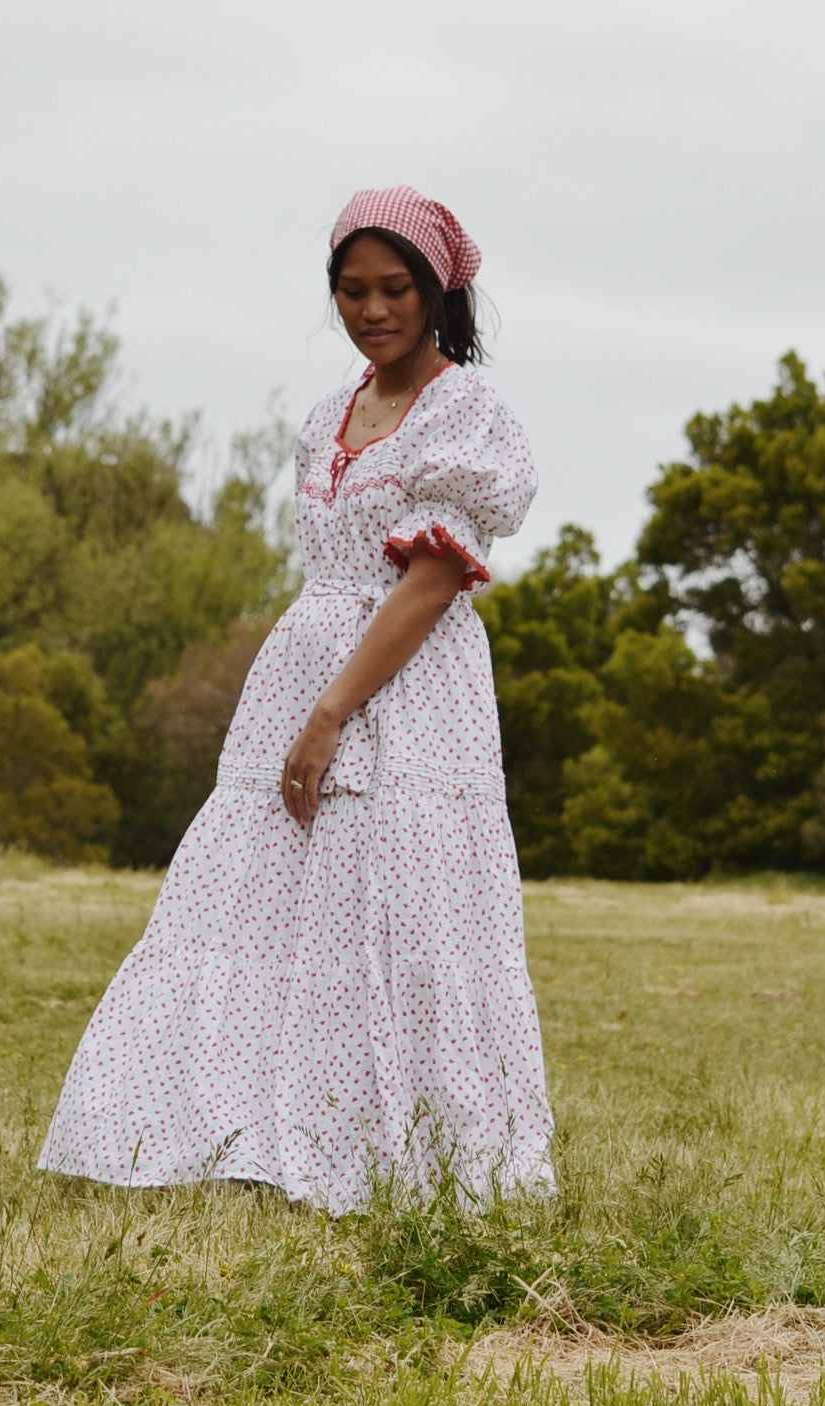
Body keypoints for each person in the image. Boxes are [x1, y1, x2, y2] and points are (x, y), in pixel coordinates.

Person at [38, 186, 556, 1214]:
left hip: (407, 692)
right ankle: (246, 1133)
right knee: (251, 900)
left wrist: (334, 711)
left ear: (439, 289)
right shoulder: (327, 417)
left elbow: (432, 579)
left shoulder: (466, 413)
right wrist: (304, 703)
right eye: (352, 290)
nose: (373, 309)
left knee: (394, 914)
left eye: (395, 288)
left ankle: (406, 1159)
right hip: (305, 673)